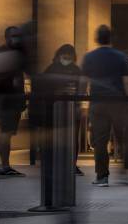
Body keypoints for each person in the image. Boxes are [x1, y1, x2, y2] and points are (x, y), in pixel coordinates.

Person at [83, 25, 128, 187]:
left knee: (100, 140)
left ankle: (102, 176)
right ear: (111, 38)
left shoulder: (89, 57)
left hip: (98, 102)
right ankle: (124, 172)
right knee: (122, 138)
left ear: (96, 39)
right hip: (118, 102)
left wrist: (79, 101)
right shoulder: (121, 57)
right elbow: (127, 81)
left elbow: (83, 80)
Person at [0, 26, 28, 177]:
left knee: (7, 133)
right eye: (13, 36)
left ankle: (5, 165)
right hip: (6, 100)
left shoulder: (16, 54)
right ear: (6, 37)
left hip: (14, 100)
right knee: (6, 132)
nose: (16, 39)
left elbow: (20, 79)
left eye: (18, 36)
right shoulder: (2, 55)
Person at [43, 44, 86, 175]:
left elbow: (81, 88)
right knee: (59, 138)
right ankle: (60, 164)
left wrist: (80, 105)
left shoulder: (76, 70)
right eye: (65, 55)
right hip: (56, 108)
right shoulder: (52, 69)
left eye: (69, 56)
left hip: (71, 108)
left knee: (72, 138)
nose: (67, 58)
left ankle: (71, 164)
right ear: (59, 55)